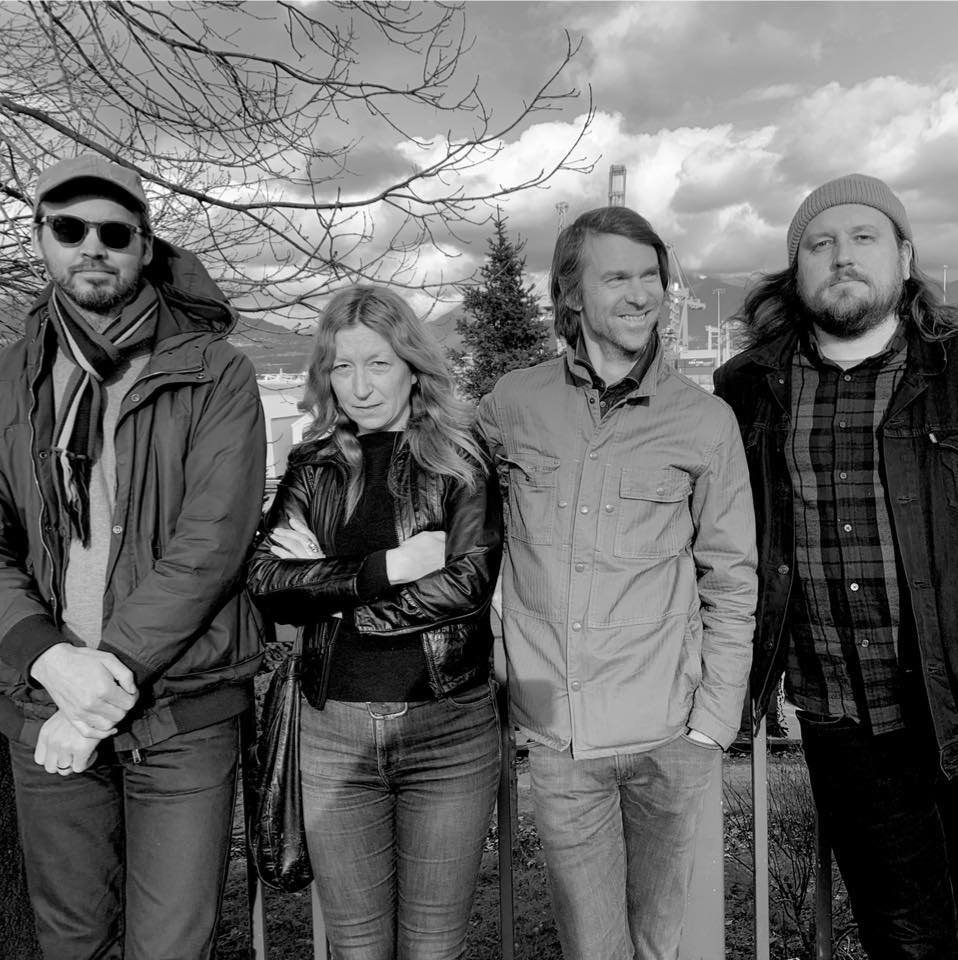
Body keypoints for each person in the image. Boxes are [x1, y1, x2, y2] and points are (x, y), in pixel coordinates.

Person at [0, 155, 266, 958]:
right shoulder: (9, 378)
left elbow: (212, 543)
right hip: (46, 700)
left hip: (181, 707)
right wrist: (51, 661)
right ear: (40, 237)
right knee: (71, 940)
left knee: (171, 945)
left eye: (115, 233)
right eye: (69, 228)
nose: (93, 246)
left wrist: (100, 685)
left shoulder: (216, 371)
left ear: (145, 247)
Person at [477, 206, 757, 960]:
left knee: (656, 947)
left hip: (669, 735)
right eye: (617, 278)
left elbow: (732, 580)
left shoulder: (704, 422)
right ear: (571, 293)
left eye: (651, 277)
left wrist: (712, 726)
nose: (642, 295)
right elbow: (444, 494)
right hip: (560, 737)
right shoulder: (513, 404)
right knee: (592, 950)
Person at [714, 173, 958, 959]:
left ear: (905, 257)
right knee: (905, 937)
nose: (841, 255)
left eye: (863, 237)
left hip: (952, 687)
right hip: (847, 718)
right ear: (797, 271)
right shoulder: (748, 389)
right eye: (819, 244)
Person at [247, 285, 502, 960]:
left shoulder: (460, 457)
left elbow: (467, 585)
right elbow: (267, 581)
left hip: (448, 730)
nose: (360, 387)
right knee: (356, 947)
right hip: (332, 732)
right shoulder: (313, 465)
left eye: (378, 364)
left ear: (413, 366)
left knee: (433, 946)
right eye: (342, 367)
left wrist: (332, 595)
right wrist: (388, 567)